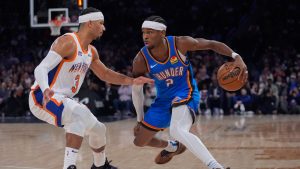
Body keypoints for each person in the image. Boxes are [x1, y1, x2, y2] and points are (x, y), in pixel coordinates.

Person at [28, 7, 153, 169]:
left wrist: (133, 81)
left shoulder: (91, 52)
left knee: (99, 129)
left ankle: (100, 166)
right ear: (89, 23)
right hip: (41, 97)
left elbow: (105, 74)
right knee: (78, 116)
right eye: (101, 23)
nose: (104, 27)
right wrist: (45, 88)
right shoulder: (67, 42)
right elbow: (41, 68)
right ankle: (69, 166)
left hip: (64, 100)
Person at [132, 15, 247, 169]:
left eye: (150, 32)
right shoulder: (140, 59)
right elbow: (136, 88)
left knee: (177, 129)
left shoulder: (180, 43)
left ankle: (215, 166)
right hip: (163, 100)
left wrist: (236, 56)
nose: (145, 36)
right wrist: (139, 119)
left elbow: (212, 44)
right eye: (143, 32)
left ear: (162, 33)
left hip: (185, 92)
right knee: (139, 141)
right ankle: (172, 146)